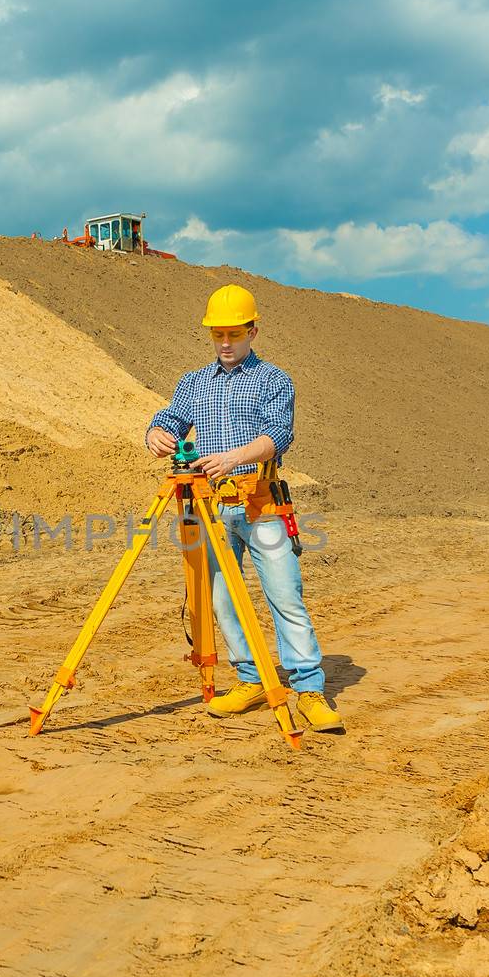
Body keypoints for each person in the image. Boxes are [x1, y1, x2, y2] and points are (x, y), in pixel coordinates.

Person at [145, 284, 342, 733]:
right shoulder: (194, 382)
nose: (226, 343)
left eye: (234, 334)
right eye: (218, 335)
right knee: (221, 599)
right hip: (210, 510)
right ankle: (250, 679)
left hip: (260, 503)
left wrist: (234, 456)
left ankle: (309, 689)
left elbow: (279, 434)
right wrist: (155, 432)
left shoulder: (275, 380)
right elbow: (170, 418)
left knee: (285, 597)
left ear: (253, 330)